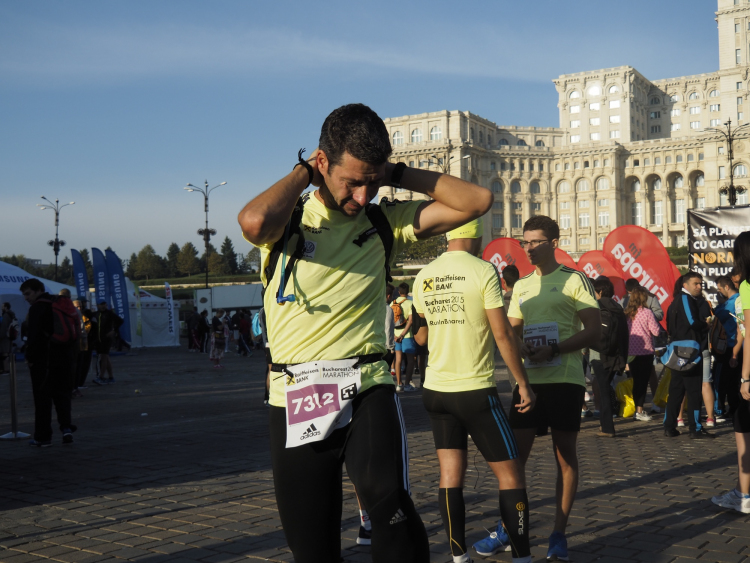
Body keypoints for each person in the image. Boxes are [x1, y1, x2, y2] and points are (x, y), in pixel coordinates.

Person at [237, 102, 491, 563]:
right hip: (296, 393)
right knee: (313, 548)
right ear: (321, 164)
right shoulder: (287, 222)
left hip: (366, 383)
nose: (361, 195)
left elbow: (476, 202)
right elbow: (252, 222)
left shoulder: (382, 221)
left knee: (392, 511)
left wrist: (394, 173)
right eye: (350, 181)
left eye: (370, 182)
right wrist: (302, 174)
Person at [476, 215, 600, 561]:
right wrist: (523, 345)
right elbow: (512, 330)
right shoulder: (523, 286)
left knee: (565, 457)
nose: (527, 248)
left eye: (535, 242)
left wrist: (556, 348)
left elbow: (594, 331)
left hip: (565, 379)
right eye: (524, 242)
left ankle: (558, 533)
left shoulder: (576, 280)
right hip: (528, 382)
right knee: (513, 461)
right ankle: (508, 529)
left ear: (554, 244)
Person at [412, 219, 535, 563]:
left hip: (435, 390)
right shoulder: (483, 271)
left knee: (450, 475)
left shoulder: (425, 275)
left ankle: (458, 556)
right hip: (474, 389)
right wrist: (522, 383)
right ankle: (523, 557)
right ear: (477, 236)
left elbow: (419, 337)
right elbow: (502, 334)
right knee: (511, 476)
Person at [712, 231, 750, 514]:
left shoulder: (747, 287)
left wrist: (746, 377)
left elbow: (747, 333)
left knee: (743, 430)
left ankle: (743, 495)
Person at [20, 278, 78, 446]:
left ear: (38, 290)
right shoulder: (59, 303)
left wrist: (30, 358)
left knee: (42, 399)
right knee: (63, 395)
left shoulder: (38, 308)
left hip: (44, 361)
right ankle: (66, 428)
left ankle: (43, 436)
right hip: (65, 358)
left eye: (28, 293)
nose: (26, 297)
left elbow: (34, 337)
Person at [664, 272, 714, 439]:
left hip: (679, 351)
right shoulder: (685, 299)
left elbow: (669, 325)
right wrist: (705, 325)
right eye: (696, 284)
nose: (699, 287)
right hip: (689, 352)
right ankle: (695, 428)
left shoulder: (675, 301)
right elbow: (692, 321)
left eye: (701, 284)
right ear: (685, 285)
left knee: (676, 391)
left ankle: (669, 426)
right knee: (693, 392)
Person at [590, 276, 628, 437]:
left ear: (599, 291)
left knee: (603, 390)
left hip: (599, 354)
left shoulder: (596, 306)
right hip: (616, 355)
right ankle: (605, 425)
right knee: (606, 387)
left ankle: (607, 428)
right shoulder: (618, 307)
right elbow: (624, 334)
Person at [623, 278, 664, 414]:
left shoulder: (627, 314)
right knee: (644, 381)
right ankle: (640, 411)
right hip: (645, 351)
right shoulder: (647, 312)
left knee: (636, 381)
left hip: (630, 351)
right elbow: (656, 331)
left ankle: (637, 408)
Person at [713, 276, 744, 421]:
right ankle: (734, 408)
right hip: (735, 345)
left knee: (722, 380)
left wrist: (718, 305)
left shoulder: (734, 302)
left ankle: (720, 409)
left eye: (719, 289)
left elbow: (719, 314)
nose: (719, 292)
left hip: (730, 346)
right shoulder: (734, 301)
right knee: (734, 381)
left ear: (726, 287)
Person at [91, 301, 122, 385]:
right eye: (101, 304)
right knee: (106, 357)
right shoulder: (95, 314)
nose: (103, 306)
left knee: (103, 357)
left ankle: (101, 377)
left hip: (106, 339)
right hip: (98, 339)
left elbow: (120, 321)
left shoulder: (109, 314)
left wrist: (113, 331)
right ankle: (111, 377)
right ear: (97, 305)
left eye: (104, 304)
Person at [394, 282, 417, 392]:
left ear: (399, 292)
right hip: (407, 335)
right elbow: (411, 320)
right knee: (410, 360)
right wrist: (403, 334)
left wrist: (395, 335)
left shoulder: (392, 303)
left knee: (398, 359)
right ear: (407, 292)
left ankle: (399, 384)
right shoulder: (409, 303)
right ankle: (407, 384)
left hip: (395, 335)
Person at [0, 301, 17, 374]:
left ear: (6, 307)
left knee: (4, 353)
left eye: (2, 306)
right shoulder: (11, 315)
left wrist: (0, 336)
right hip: (9, 337)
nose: (1, 307)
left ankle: (5, 369)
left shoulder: (6, 315)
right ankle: (7, 369)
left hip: (4, 338)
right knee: (7, 353)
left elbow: (4, 327)